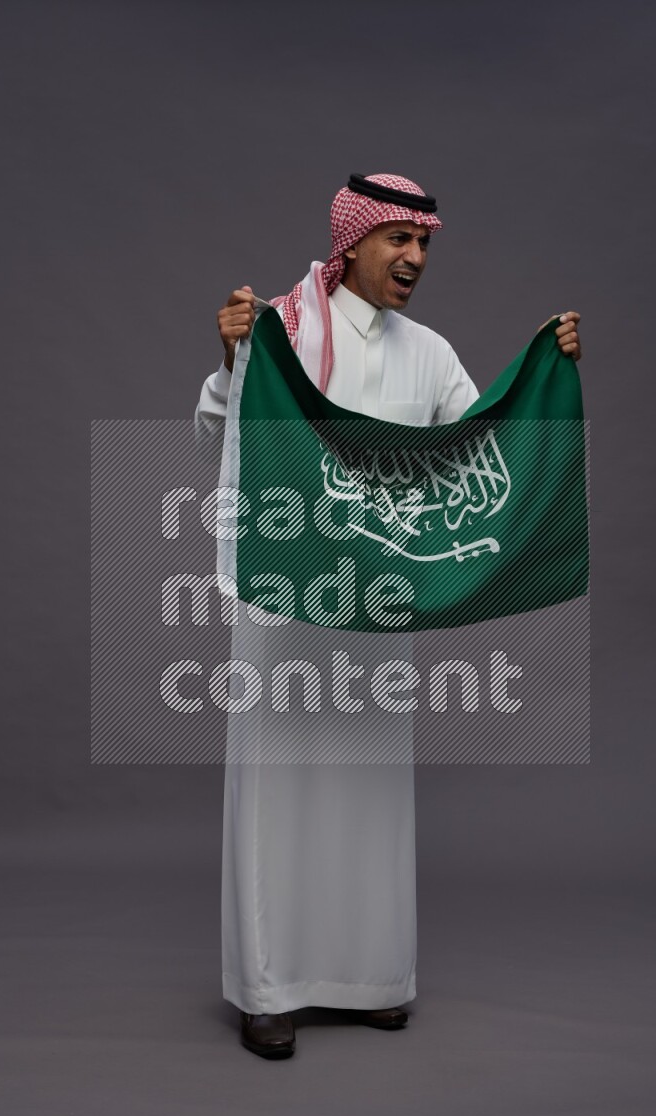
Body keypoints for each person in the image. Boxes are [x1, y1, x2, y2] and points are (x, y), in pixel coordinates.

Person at [196, 173, 581, 1059]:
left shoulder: (431, 353)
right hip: (290, 609)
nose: (415, 258)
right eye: (399, 239)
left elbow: (483, 456)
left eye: (426, 243)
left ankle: (369, 980)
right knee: (279, 799)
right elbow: (217, 438)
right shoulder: (281, 334)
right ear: (354, 241)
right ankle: (269, 989)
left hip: (377, 614)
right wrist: (228, 366)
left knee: (368, 797)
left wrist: (548, 375)